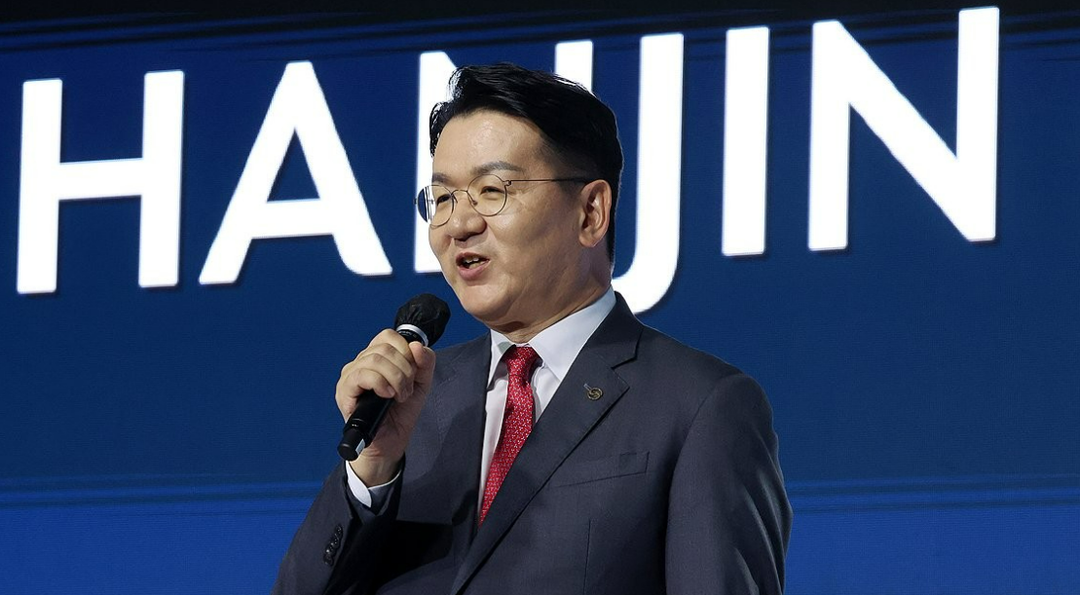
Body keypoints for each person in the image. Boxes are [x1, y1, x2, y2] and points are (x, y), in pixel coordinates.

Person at [272, 62, 791, 595]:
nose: (459, 224)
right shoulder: (410, 399)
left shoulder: (700, 406)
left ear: (590, 212)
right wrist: (374, 470)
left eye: (492, 190)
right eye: (444, 198)